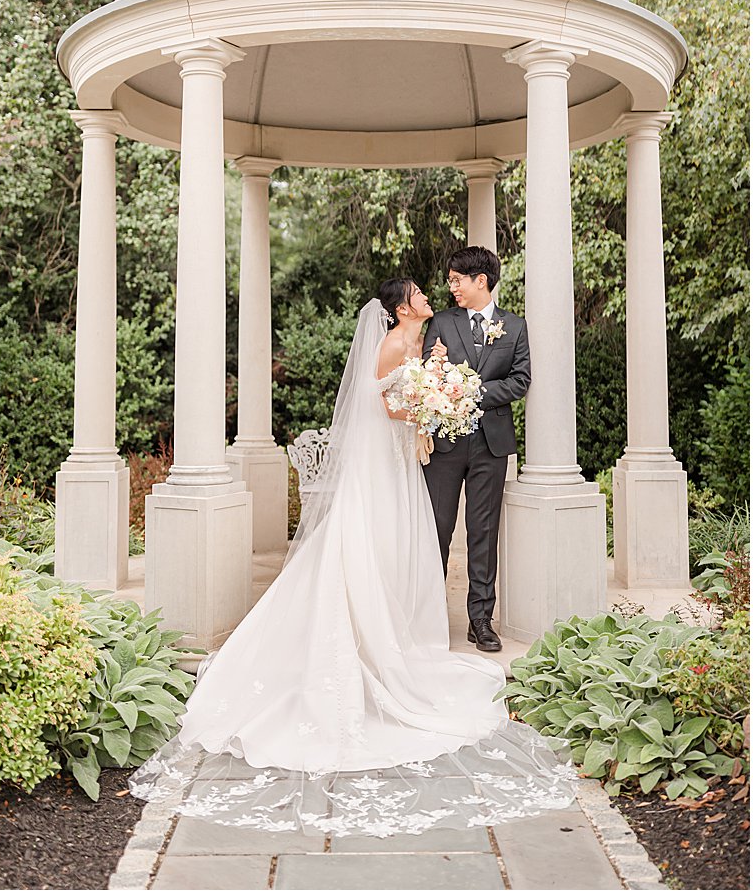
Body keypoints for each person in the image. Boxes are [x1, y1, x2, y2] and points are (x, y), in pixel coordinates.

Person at [129, 281, 574, 838]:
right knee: (367, 547)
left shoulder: (420, 340)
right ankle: (364, 640)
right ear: (401, 307)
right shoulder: (391, 344)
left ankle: (388, 632)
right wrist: (425, 403)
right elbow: (381, 404)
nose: (430, 294)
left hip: (405, 464)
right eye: (417, 292)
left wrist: (438, 392)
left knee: (393, 552)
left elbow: (424, 389)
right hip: (381, 468)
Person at [421, 245, 530, 653]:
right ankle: (428, 614)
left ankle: (480, 621)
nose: (452, 288)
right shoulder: (442, 323)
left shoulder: (515, 327)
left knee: (482, 533)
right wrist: (441, 376)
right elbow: (428, 374)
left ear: (480, 280)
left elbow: (520, 380)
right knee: (437, 529)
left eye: (457, 280)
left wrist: (473, 390)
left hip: (492, 444)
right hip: (446, 443)